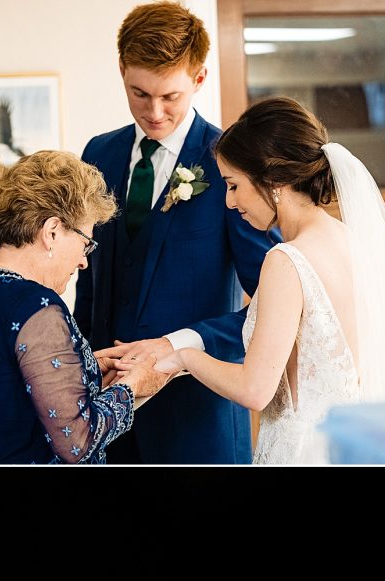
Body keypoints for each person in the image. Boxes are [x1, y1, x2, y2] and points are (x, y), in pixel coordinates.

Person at [138, 97, 385, 463]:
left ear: (272, 180)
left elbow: (255, 389)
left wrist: (185, 357)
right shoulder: (350, 240)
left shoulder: (286, 261)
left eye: (233, 185)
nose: (229, 202)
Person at [76, 4, 274, 464]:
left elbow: (271, 302)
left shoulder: (230, 164)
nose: (155, 111)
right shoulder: (98, 153)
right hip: (105, 416)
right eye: (139, 93)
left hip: (197, 417)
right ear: (122, 70)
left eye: (170, 96)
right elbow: (88, 282)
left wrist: (179, 346)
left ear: (200, 78)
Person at [0, 153, 139, 464]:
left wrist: (83, 368)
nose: (84, 261)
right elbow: (77, 443)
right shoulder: (37, 306)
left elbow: (0, 386)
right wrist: (133, 385)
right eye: (85, 242)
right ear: (52, 231)